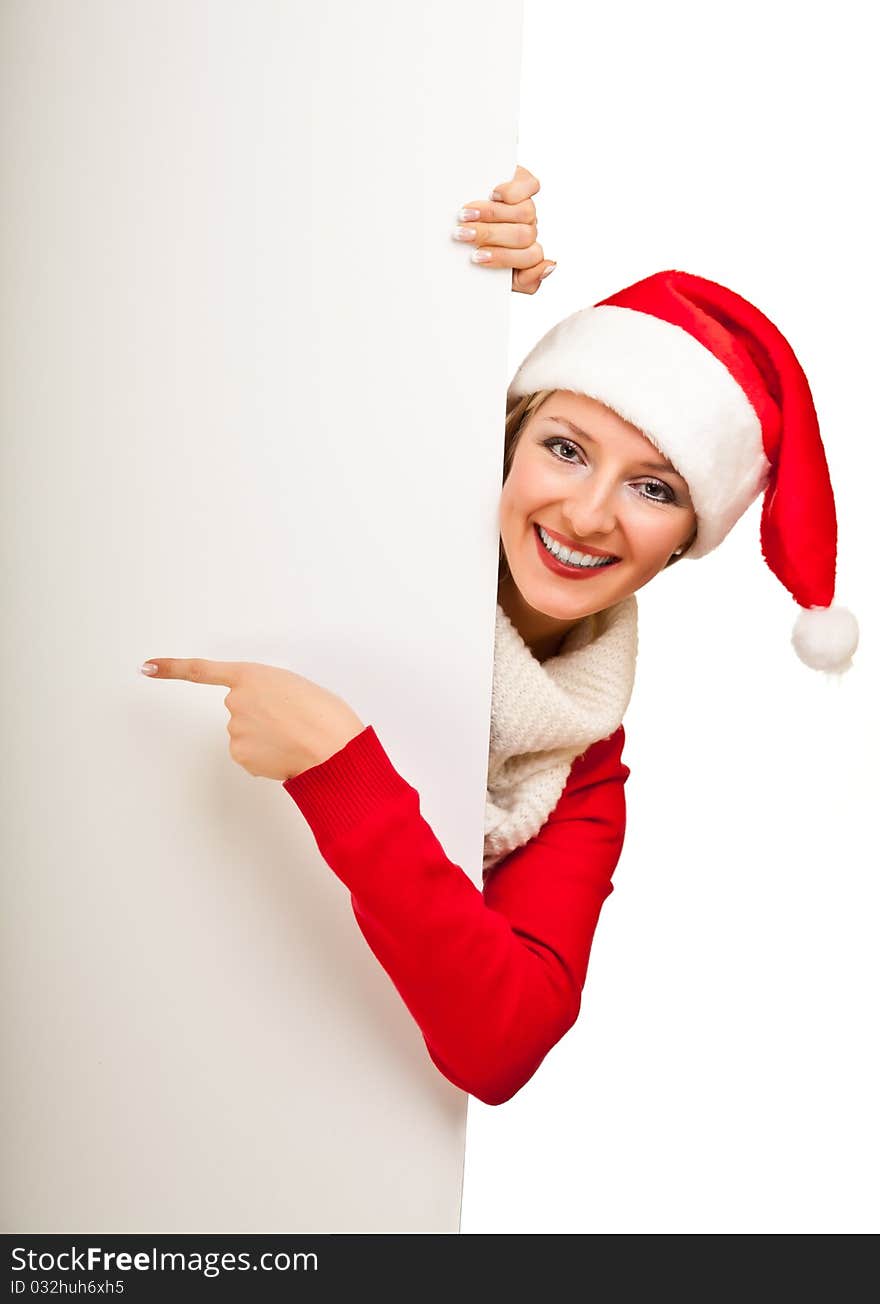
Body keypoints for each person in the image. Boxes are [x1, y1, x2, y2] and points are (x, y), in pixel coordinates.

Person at [140, 167, 859, 1107]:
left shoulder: (582, 767)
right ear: (510, 437)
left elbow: (502, 1045)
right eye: (565, 448)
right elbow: (262, 331)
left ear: (688, 538)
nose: (590, 513)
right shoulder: (367, 520)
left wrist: (341, 773)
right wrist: (441, 252)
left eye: (655, 488)